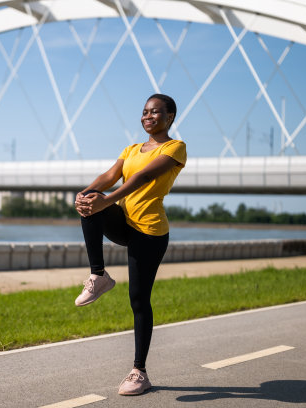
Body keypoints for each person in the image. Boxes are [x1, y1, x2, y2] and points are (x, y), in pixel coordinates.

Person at [74, 93, 187, 396]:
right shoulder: (132, 148)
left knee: (138, 299)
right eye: (145, 112)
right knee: (89, 201)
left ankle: (139, 371)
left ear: (170, 117)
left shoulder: (175, 148)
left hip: (150, 233)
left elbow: (145, 176)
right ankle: (98, 275)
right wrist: (85, 193)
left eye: (156, 112)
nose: (148, 116)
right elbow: (111, 175)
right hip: (125, 222)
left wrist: (106, 199)